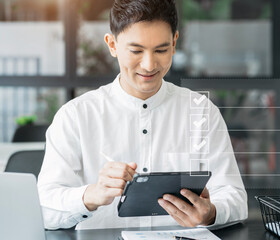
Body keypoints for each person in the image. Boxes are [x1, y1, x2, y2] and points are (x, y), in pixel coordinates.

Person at [37, 0, 247, 230]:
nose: (149, 65)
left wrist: (211, 213)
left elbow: (235, 198)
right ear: (112, 45)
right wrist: (90, 195)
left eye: (161, 50)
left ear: (175, 43)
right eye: (136, 50)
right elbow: (44, 210)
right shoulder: (75, 116)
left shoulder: (201, 111)